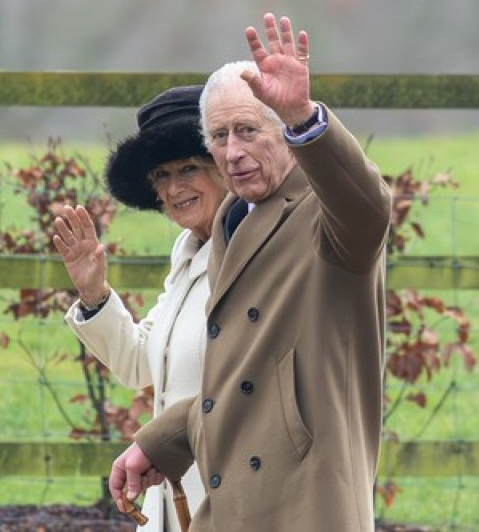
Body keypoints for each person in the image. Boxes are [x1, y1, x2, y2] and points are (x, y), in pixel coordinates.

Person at [108, 13, 392, 532]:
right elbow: (242, 382)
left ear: (283, 132)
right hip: (230, 504)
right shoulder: (230, 221)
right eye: (218, 136)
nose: (233, 151)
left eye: (247, 130)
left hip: (307, 506)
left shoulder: (324, 213)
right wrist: (157, 442)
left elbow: (368, 208)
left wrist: (306, 118)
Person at [52, 85, 227, 532]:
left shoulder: (254, 253)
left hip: (228, 496)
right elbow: (139, 365)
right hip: (170, 498)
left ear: (224, 168)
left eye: (189, 168)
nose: (173, 188)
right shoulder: (187, 252)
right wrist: (93, 292)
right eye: (160, 176)